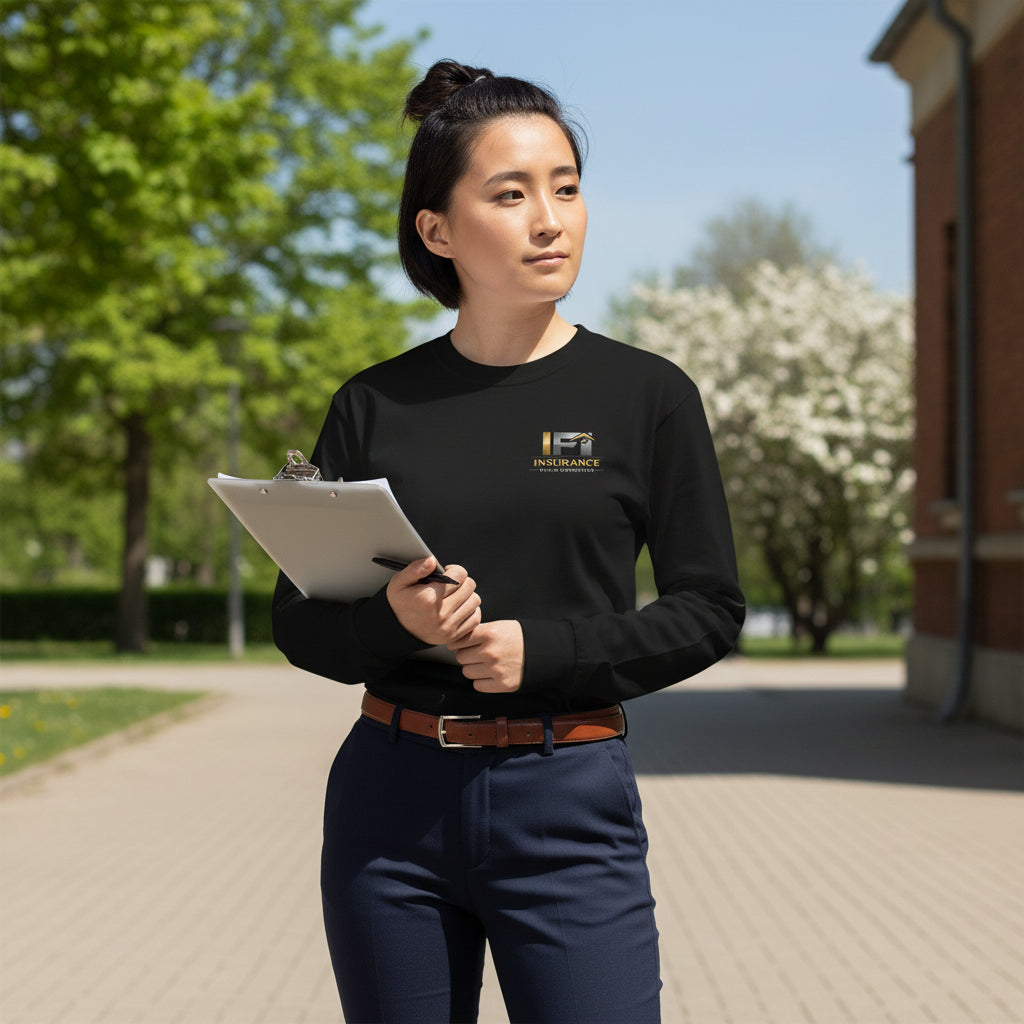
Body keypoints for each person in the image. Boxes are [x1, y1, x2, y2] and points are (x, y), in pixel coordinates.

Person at [273, 58, 745, 1024]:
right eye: (512, 192)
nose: (550, 218)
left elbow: (711, 608)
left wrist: (551, 650)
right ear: (438, 229)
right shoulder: (372, 403)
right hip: (388, 810)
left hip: (568, 798)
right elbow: (300, 621)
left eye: (566, 188)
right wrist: (397, 625)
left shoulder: (647, 396)